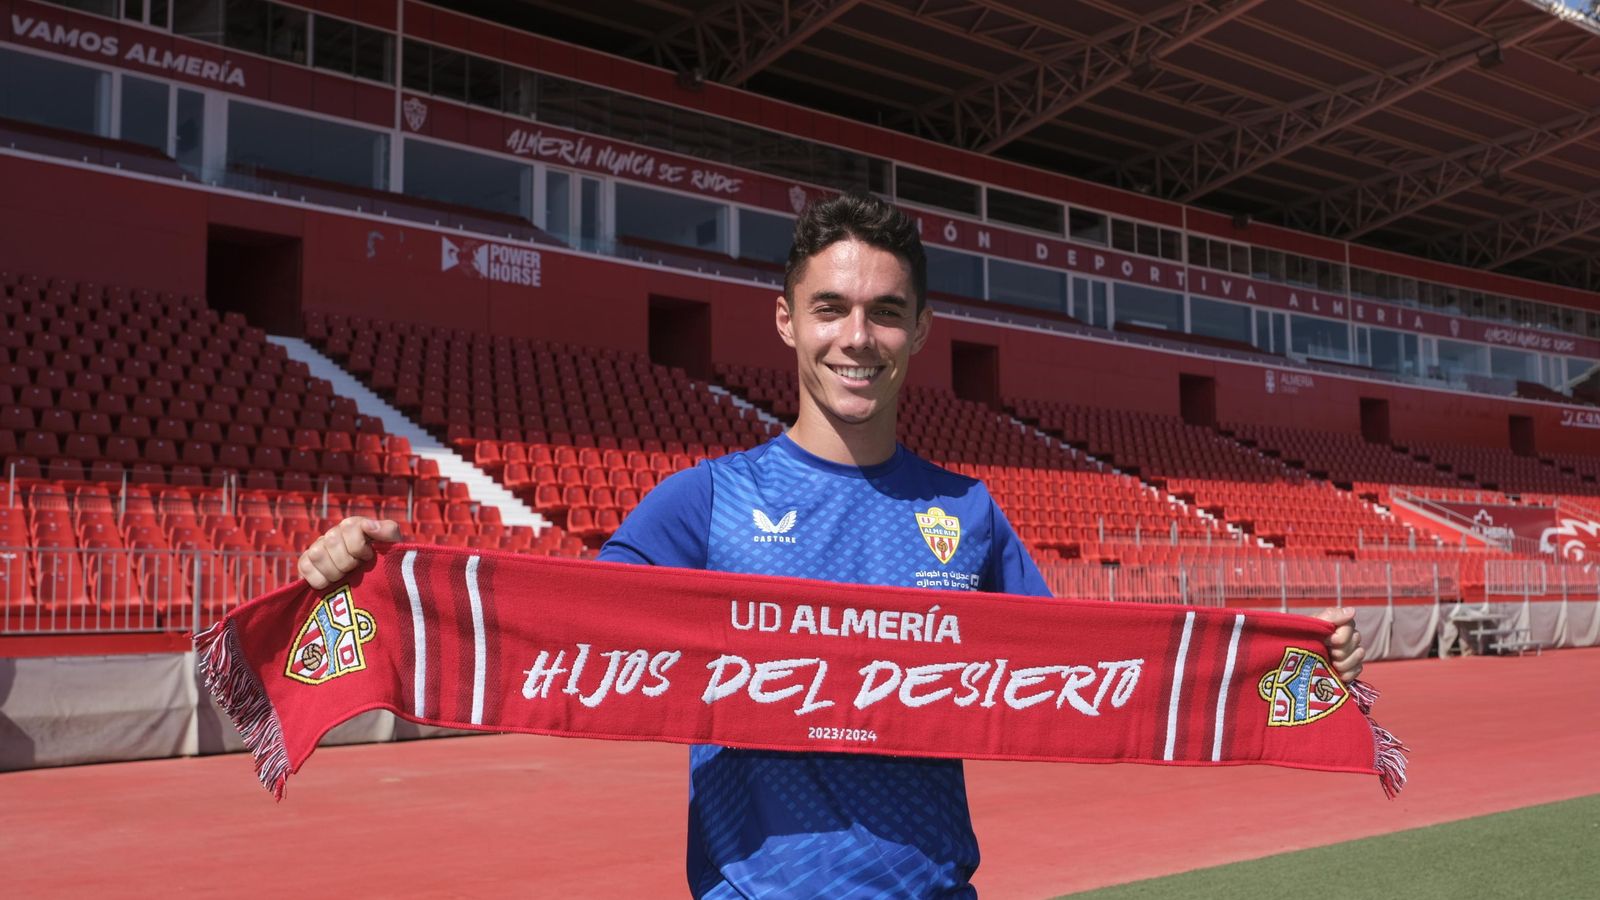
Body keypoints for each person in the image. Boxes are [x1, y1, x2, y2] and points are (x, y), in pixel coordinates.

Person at [298, 192, 1366, 897]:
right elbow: (556, 626)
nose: (859, 337)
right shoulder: (703, 503)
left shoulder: (970, 513)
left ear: (921, 331)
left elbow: (1092, 673)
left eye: (886, 313)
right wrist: (376, 578)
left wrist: (1288, 663)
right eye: (831, 309)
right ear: (786, 322)